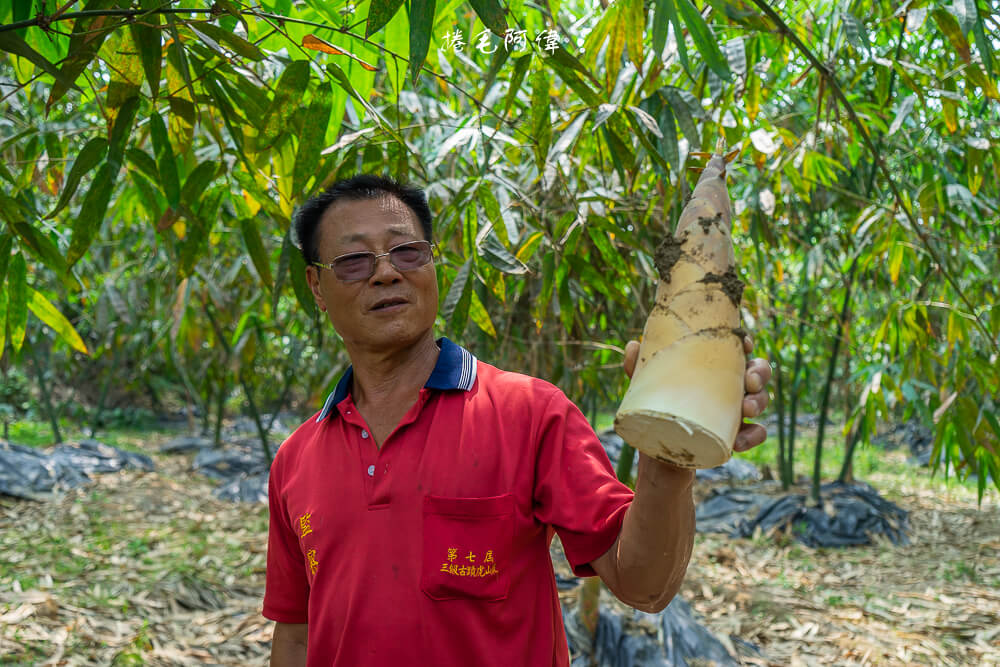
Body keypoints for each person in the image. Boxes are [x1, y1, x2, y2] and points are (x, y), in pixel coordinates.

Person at [263, 175, 771, 666]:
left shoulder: (529, 413)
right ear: (317, 285)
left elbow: (644, 584)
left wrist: (669, 446)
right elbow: (297, 631)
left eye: (407, 251)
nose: (386, 272)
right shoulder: (296, 460)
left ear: (433, 262)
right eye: (353, 261)